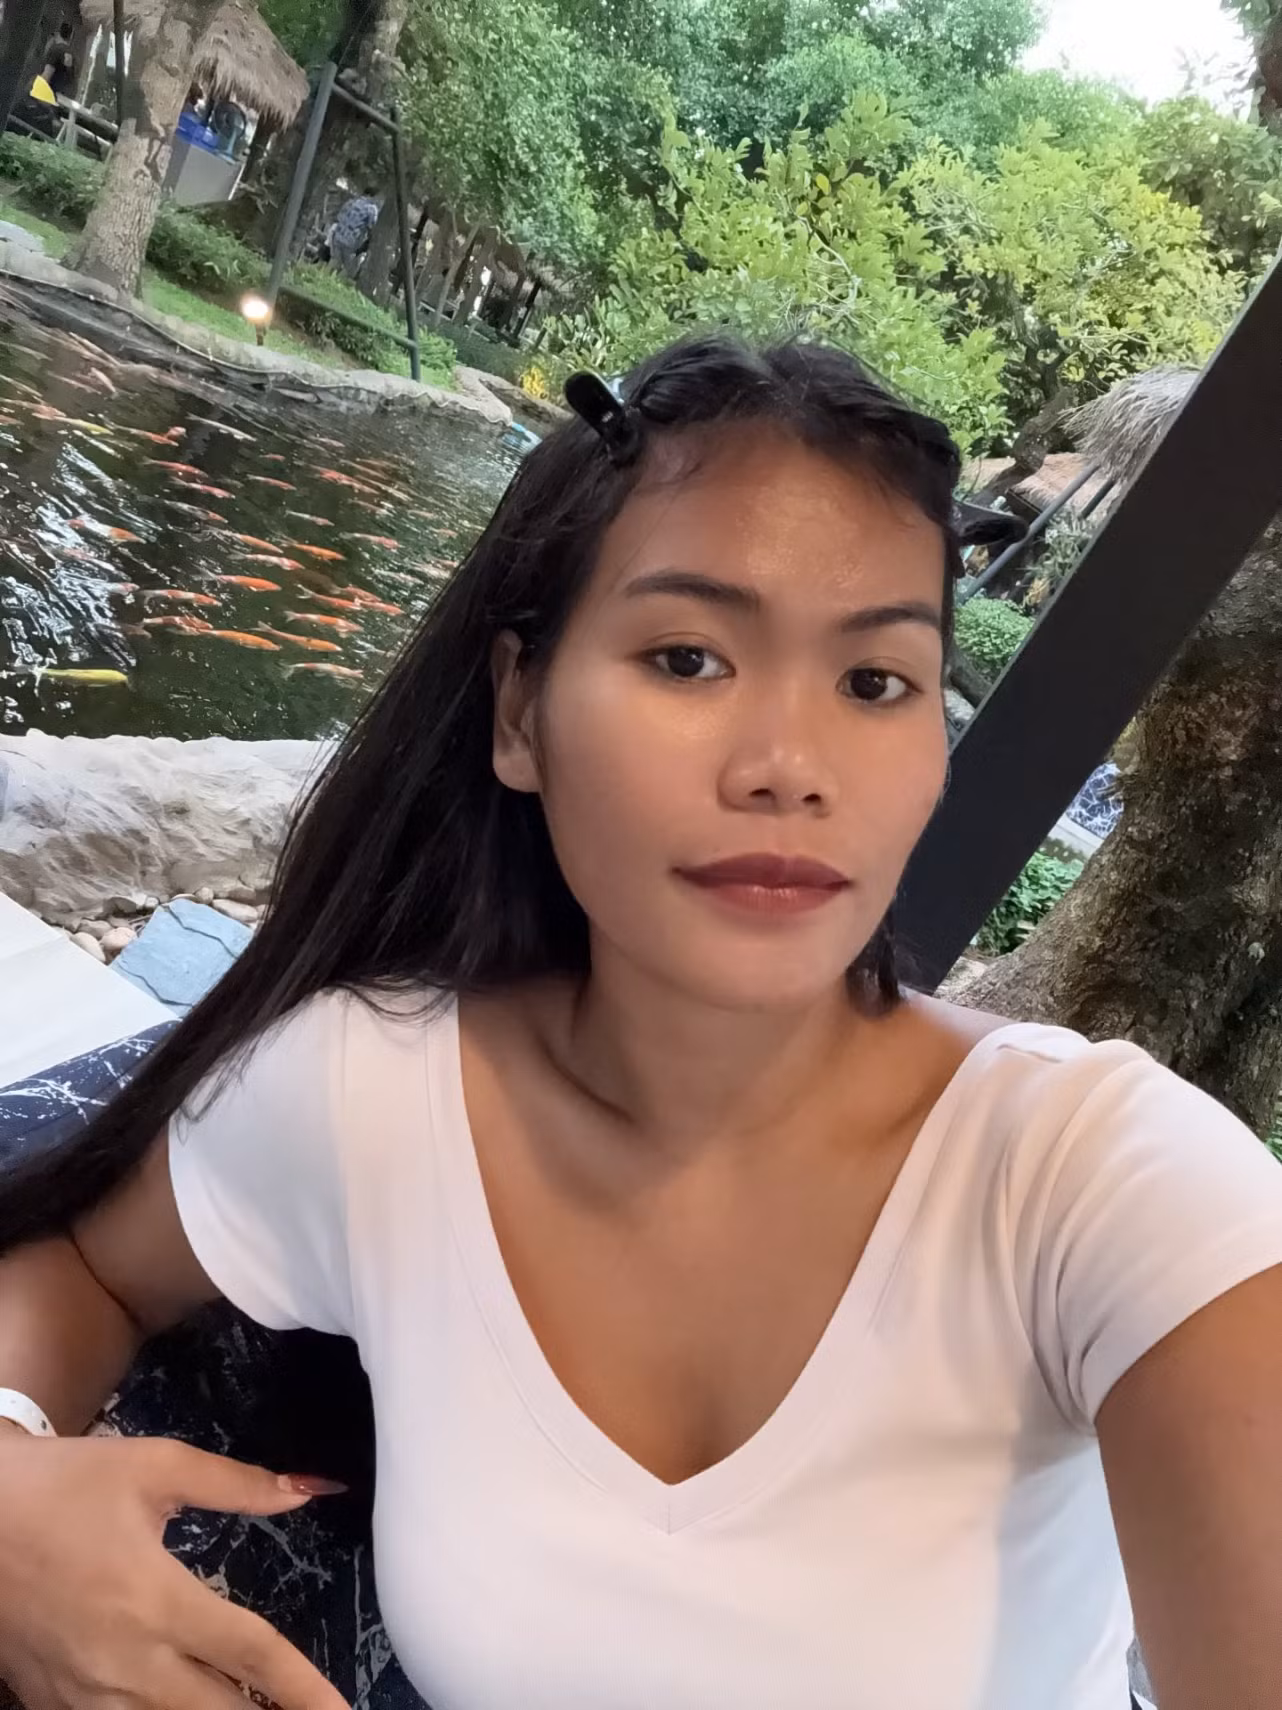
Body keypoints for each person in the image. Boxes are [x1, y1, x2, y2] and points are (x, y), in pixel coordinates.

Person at [1, 333, 1281, 1710]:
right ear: (520, 711)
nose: (789, 767)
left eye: (874, 682)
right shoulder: (377, 1092)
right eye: (687, 657)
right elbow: (87, 1264)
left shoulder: (1099, 1189)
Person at [329, 184, 381, 278]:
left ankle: (323, 279)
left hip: (338, 235)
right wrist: (370, 240)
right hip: (352, 241)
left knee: (335, 261)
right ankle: (337, 282)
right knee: (350, 268)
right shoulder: (371, 209)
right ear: (371, 196)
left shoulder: (351, 202)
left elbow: (339, 216)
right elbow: (371, 228)